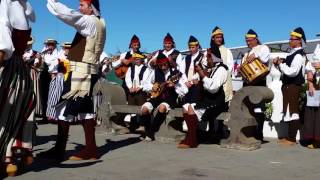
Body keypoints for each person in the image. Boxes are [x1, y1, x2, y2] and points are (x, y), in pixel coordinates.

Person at [42, 0, 106, 161]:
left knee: (65, 107)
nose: (79, 7)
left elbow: (70, 15)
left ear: (91, 8)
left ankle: (60, 150)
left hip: (80, 71)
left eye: (82, 5)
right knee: (84, 109)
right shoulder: (99, 23)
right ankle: (90, 149)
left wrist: (53, 2)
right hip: (87, 70)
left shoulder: (90, 21)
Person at [0, 0, 36, 176]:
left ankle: (11, 154)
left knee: (15, 107)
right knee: (10, 109)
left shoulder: (15, 5)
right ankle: (11, 155)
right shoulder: (11, 5)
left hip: (13, 65)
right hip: (11, 64)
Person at [178, 50, 228, 148]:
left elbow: (214, 88)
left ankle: (192, 140)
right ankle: (192, 136)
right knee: (185, 107)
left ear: (213, 58)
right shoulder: (209, 69)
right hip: (207, 99)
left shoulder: (221, 69)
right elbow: (196, 78)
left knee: (191, 109)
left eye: (207, 57)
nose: (205, 60)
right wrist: (193, 81)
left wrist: (202, 75)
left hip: (217, 101)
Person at [140, 53, 188, 141]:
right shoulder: (155, 71)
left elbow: (184, 90)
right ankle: (147, 128)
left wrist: (174, 86)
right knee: (144, 109)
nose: (163, 66)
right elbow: (144, 85)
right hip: (156, 96)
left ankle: (151, 131)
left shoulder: (175, 73)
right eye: (160, 64)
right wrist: (152, 87)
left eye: (164, 64)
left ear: (167, 63)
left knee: (162, 108)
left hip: (170, 98)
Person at [273, 27, 307, 146]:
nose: (290, 41)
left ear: (299, 40)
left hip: (294, 85)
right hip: (288, 85)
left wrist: (281, 64)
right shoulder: (292, 53)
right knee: (288, 110)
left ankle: (292, 138)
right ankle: (289, 136)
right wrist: (278, 65)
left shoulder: (298, 55)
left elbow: (292, 72)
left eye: (292, 39)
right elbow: (286, 70)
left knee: (293, 111)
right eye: (290, 39)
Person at [241, 29, 271, 141]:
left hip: (259, 82)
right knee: (248, 108)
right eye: (246, 40)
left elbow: (265, 60)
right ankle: (249, 133)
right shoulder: (246, 53)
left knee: (258, 108)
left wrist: (256, 56)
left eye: (250, 40)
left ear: (256, 39)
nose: (248, 42)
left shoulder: (264, 48)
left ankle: (259, 134)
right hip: (247, 83)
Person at [303, 44, 320, 149]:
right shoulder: (318, 47)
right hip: (316, 84)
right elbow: (311, 64)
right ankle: (315, 139)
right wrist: (310, 82)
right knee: (314, 113)